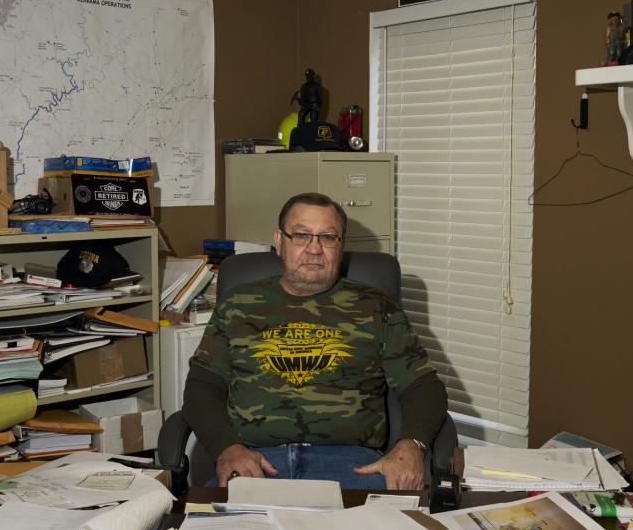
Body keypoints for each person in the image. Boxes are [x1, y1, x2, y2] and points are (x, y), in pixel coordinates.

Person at [182, 192, 449, 489]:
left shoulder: (376, 307)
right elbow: (202, 387)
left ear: (341, 245)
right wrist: (226, 448)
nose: (315, 249)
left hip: (354, 466)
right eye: (301, 235)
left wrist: (411, 445)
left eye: (328, 237)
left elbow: (424, 387)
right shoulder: (238, 304)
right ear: (279, 241)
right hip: (256, 464)